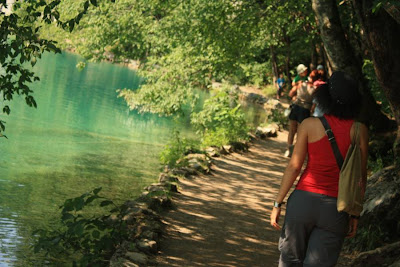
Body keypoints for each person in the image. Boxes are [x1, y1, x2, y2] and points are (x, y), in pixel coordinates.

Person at [270, 71, 369, 266]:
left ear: (325, 96)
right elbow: (360, 176)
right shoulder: (359, 131)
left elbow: (294, 166)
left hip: (302, 203)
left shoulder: (309, 124)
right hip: (336, 209)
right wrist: (355, 213)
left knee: (289, 261)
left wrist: (277, 203)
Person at [285, 64, 312, 157]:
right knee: (300, 131)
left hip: (296, 107)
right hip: (305, 110)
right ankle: (296, 151)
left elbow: (290, 94)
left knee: (292, 130)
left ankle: (289, 149)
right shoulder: (313, 86)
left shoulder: (300, 83)